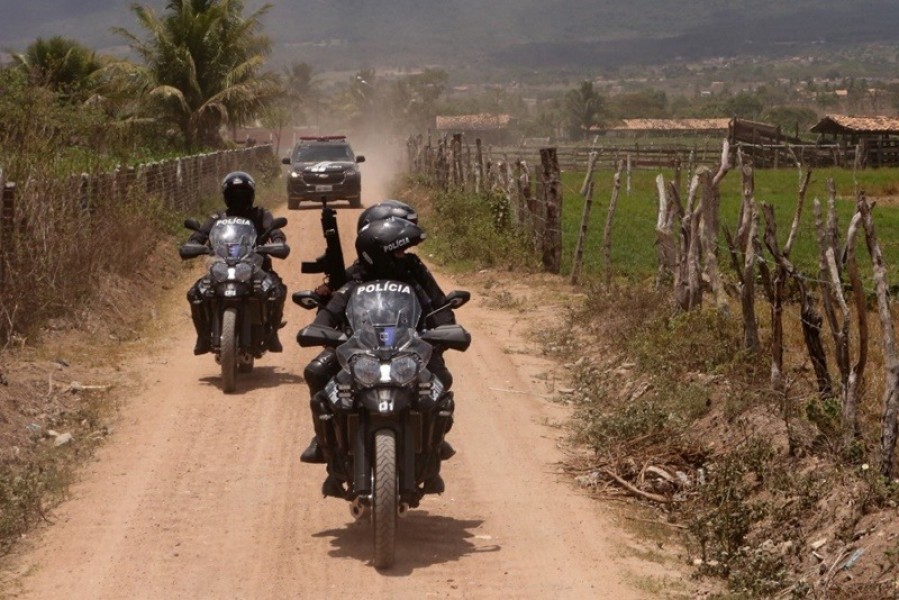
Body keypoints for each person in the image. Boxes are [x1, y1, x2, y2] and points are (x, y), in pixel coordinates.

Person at [300, 216, 458, 498]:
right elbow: (330, 311)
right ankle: (324, 441)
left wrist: (444, 330)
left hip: (408, 347)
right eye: (398, 251)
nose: (404, 256)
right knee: (316, 372)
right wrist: (321, 329)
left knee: (441, 379)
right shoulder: (355, 280)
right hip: (360, 348)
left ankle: (433, 444)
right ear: (380, 254)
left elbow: (437, 307)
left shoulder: (413, 275)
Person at [180, 171, 289, 355]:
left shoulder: (261, 214)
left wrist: (278, 241)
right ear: (226, 197)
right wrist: (193, 244)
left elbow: (275, 232)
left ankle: (272, 334)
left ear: (251, 195)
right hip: (222, 267)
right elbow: (199, 236)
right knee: (195, 294)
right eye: (234, 195)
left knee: (277, 290)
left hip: (257, 267)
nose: (239, 199)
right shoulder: (217, 218)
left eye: (243, 194)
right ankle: (202, 336)